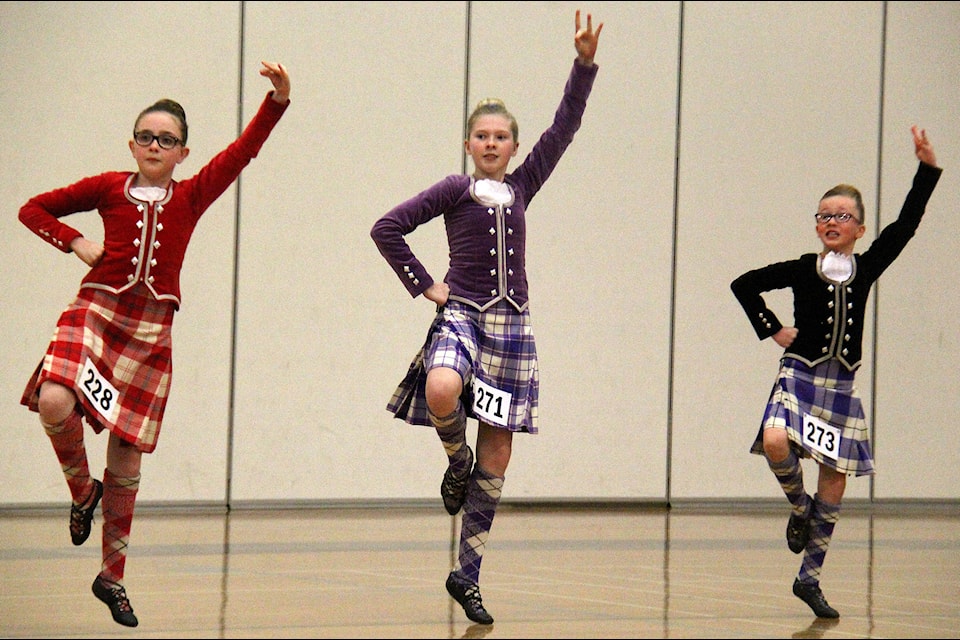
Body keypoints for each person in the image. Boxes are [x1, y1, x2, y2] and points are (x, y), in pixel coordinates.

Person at [18, 61, 291, 627]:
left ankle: (111, 576)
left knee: (127, 450)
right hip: (95, 312)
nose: (154, 145)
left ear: (183, 153)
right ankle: (80, 492)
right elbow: (32, 208)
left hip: (149, 331)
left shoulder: (192, 196)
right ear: (132, 142)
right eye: (146, 136)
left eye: (167, 140)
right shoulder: (104, 188)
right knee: (53, 399)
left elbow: (242, 153)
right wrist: (74, 241)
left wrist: (276, 103)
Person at [370, 9, 602, 626]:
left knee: (498, 454)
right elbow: (387, 228)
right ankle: (454, 462)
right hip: (463, 317)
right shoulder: (453, 188)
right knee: (443, 386)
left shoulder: (525, 184)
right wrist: (426, 286)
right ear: (470, 145)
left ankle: (466, 574)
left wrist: (582, 65)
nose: (493, 143)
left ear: (514, 146)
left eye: (503, 136)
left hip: (513, 328)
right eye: (483, 136)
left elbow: (566, 127)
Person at [730, 125, 941, 619]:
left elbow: (906, 226)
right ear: (816, 224)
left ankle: (810, 577)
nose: (831, 221)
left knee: (836, 479)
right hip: (798, 374)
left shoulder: (867, 268)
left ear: (859, 229)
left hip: (840, 385)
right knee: (776, 440)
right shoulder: (804, 268)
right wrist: (772, 328)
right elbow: (744, 284)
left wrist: (927, 171)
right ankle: (800, 508)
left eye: (842, 216)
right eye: (824, 215)